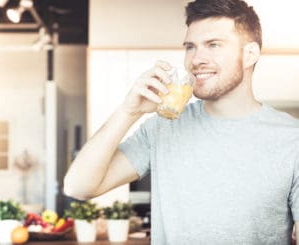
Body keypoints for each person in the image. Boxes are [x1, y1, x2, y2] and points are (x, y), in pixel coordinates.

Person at [64, 0, 299, 244]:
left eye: (213, 45)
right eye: (190, 47)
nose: (196, 59)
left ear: (250, 54)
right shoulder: (163, 126)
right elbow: (78, 186)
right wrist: (128, 112)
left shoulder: (292, 139)